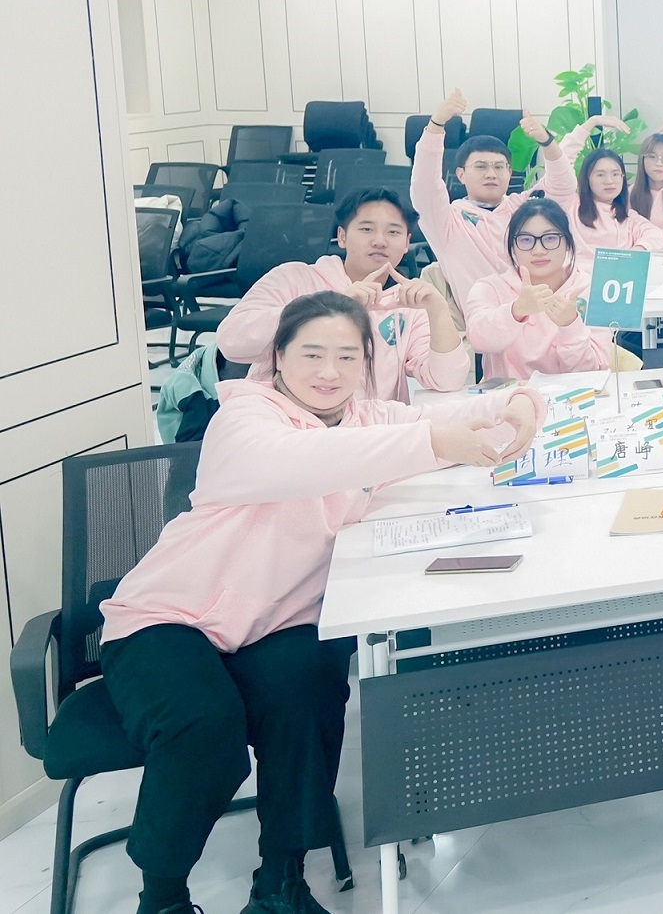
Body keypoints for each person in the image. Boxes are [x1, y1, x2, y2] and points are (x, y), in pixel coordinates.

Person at [99, 290, 540, 914]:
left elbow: (467, 412)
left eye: (347, 357)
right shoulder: (243, 417)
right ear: (278, 356)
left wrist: (520, 401)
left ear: (366, 363)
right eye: (311, 354)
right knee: (206, 726)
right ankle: (163, 895)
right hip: (170, 617)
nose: (329, 372)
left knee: (310, 691)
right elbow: (305, 462)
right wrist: (431, 443)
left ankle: (281, 883)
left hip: (278, 620)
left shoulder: (368, 419)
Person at [218, 189, 471, 403]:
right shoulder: (293, 278)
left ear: (407, 243)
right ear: (342, 237)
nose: (380, 241)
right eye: (367, 229)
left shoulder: (408, 307)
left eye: (393, 232)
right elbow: (231, 341)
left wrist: (438, 311)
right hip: (285, 426)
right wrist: (334, 305)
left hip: (365, 434)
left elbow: (447, 379)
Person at [460, 199, 614, 379]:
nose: (538, 250)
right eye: (526, 240)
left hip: (573, 395)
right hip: (511, 395)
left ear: (567, 243)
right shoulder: (489, 288)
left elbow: (593, 372)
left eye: (550, 238)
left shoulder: (592, 291)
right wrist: (516, 311)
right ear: (513, 247)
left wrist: (570, 325)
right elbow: (479, 341)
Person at [410, 87, 537, 283]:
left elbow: (560, 186)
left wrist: (546, 141)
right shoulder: (447, 221)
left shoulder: (523, 209)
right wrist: (437, 123)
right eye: (480, 166)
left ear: (509, 173)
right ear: (461, 175)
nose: (491, 174)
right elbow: (425, 184)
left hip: (533, 299)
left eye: (499, 167)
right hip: (476, 303)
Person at [542, 120, 663, 259]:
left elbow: (656, 235)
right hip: (578, 273)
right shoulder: (570, 205)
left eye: (615, 174)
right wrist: (592, 122)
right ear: (587, 178)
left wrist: (638, 249)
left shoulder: (628, 217)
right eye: (600, 175)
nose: (609, 181)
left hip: (617, 272)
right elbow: (560, 162)